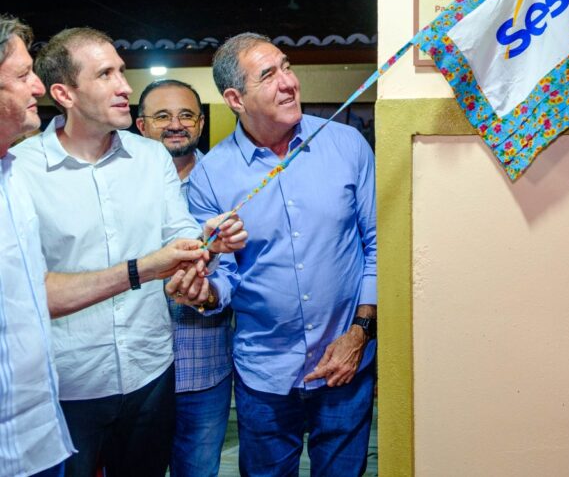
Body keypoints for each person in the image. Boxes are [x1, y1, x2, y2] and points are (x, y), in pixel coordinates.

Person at [12, 27, 246, 477]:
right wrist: (147, 267)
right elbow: (27, 289)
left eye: (121, 71)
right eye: (105, 75)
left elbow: (179, 232)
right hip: (67, 382)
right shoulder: (21, 171)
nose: (125, 86)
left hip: (150, 372)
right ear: (64, 94)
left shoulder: (151, 158)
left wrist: (204, 244)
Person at [170, 32, 377, 476]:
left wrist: (359, 333)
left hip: (346, 365)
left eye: (287, 67)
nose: (288, 82)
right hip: (264, 375)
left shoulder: (347, 146)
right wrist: (204, 292)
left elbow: (376, 247)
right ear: (235, 99)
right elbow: (222, 275)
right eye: (268, 75)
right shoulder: (211, 176)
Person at [136, 79, 233, 477]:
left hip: (203, 367)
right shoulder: (121, 186)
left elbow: (238, 269)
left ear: (201, 123)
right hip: (136, 374)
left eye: (186, 115)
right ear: (141, 126)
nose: (175, 125)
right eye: (162, 116)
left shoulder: (223, 181)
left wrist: (210, 294)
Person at [0, 17, 75, 477]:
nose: (39, 87)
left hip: (40, 435)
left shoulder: (13, 173)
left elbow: (32, 290)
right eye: (23, 74)